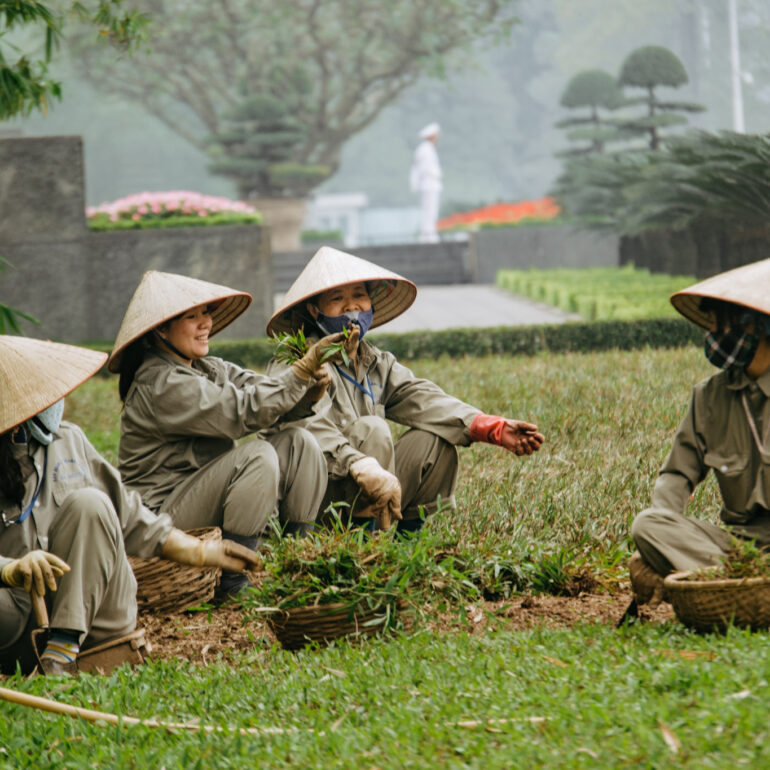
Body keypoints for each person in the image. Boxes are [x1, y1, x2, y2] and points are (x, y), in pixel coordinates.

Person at [0, 335, 259, 676]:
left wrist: (199, 553)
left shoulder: (69, 439)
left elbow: (130, 516)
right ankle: (50, 655)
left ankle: (62, 649)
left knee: (89, 503)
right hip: (18, 618)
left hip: (95, 617)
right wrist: (10, 569)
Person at [265, 246, 544, 533]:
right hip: (316, 502)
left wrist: (490, 428)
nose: (351, 307)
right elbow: (306, 426)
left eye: (359, 295)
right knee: (373, 429)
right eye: (337, 299)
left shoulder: (374, 361)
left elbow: (421, 397)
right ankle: (361, 547)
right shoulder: (298, 361)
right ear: (314, 310)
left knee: (434, 441)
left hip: (368, 484)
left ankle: (403, 543)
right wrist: (358, 463)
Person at [110, 270, 353, 601]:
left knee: (300, 443)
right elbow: (241, 412)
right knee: (257, 455)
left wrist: (307, 393)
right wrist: (300, 371)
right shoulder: (160, 383)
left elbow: (258, 390)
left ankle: (298, 562)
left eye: (205, 313)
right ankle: (232, 582)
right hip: (165, 517)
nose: (204, 323)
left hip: (202, 496)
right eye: (191, 317)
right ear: (161, 331)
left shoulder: (207, 368)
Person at [629, 258, 770, 613]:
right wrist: (656, 543)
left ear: (759, 328)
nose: (717, 334)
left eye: (728, 323)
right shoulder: (709, 396)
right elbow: (677, 473)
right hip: (736, 547)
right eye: (715, 323)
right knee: (648, 525)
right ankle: (744, 583)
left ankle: (720, 587)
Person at [409, 122, 442, 244]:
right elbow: (422, 169)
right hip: (429, 184)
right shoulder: (425, 150)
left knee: (431, 210)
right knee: (429, 210)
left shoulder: (427, 149)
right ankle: (428, 236)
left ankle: (429, 235)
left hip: (431, 184)